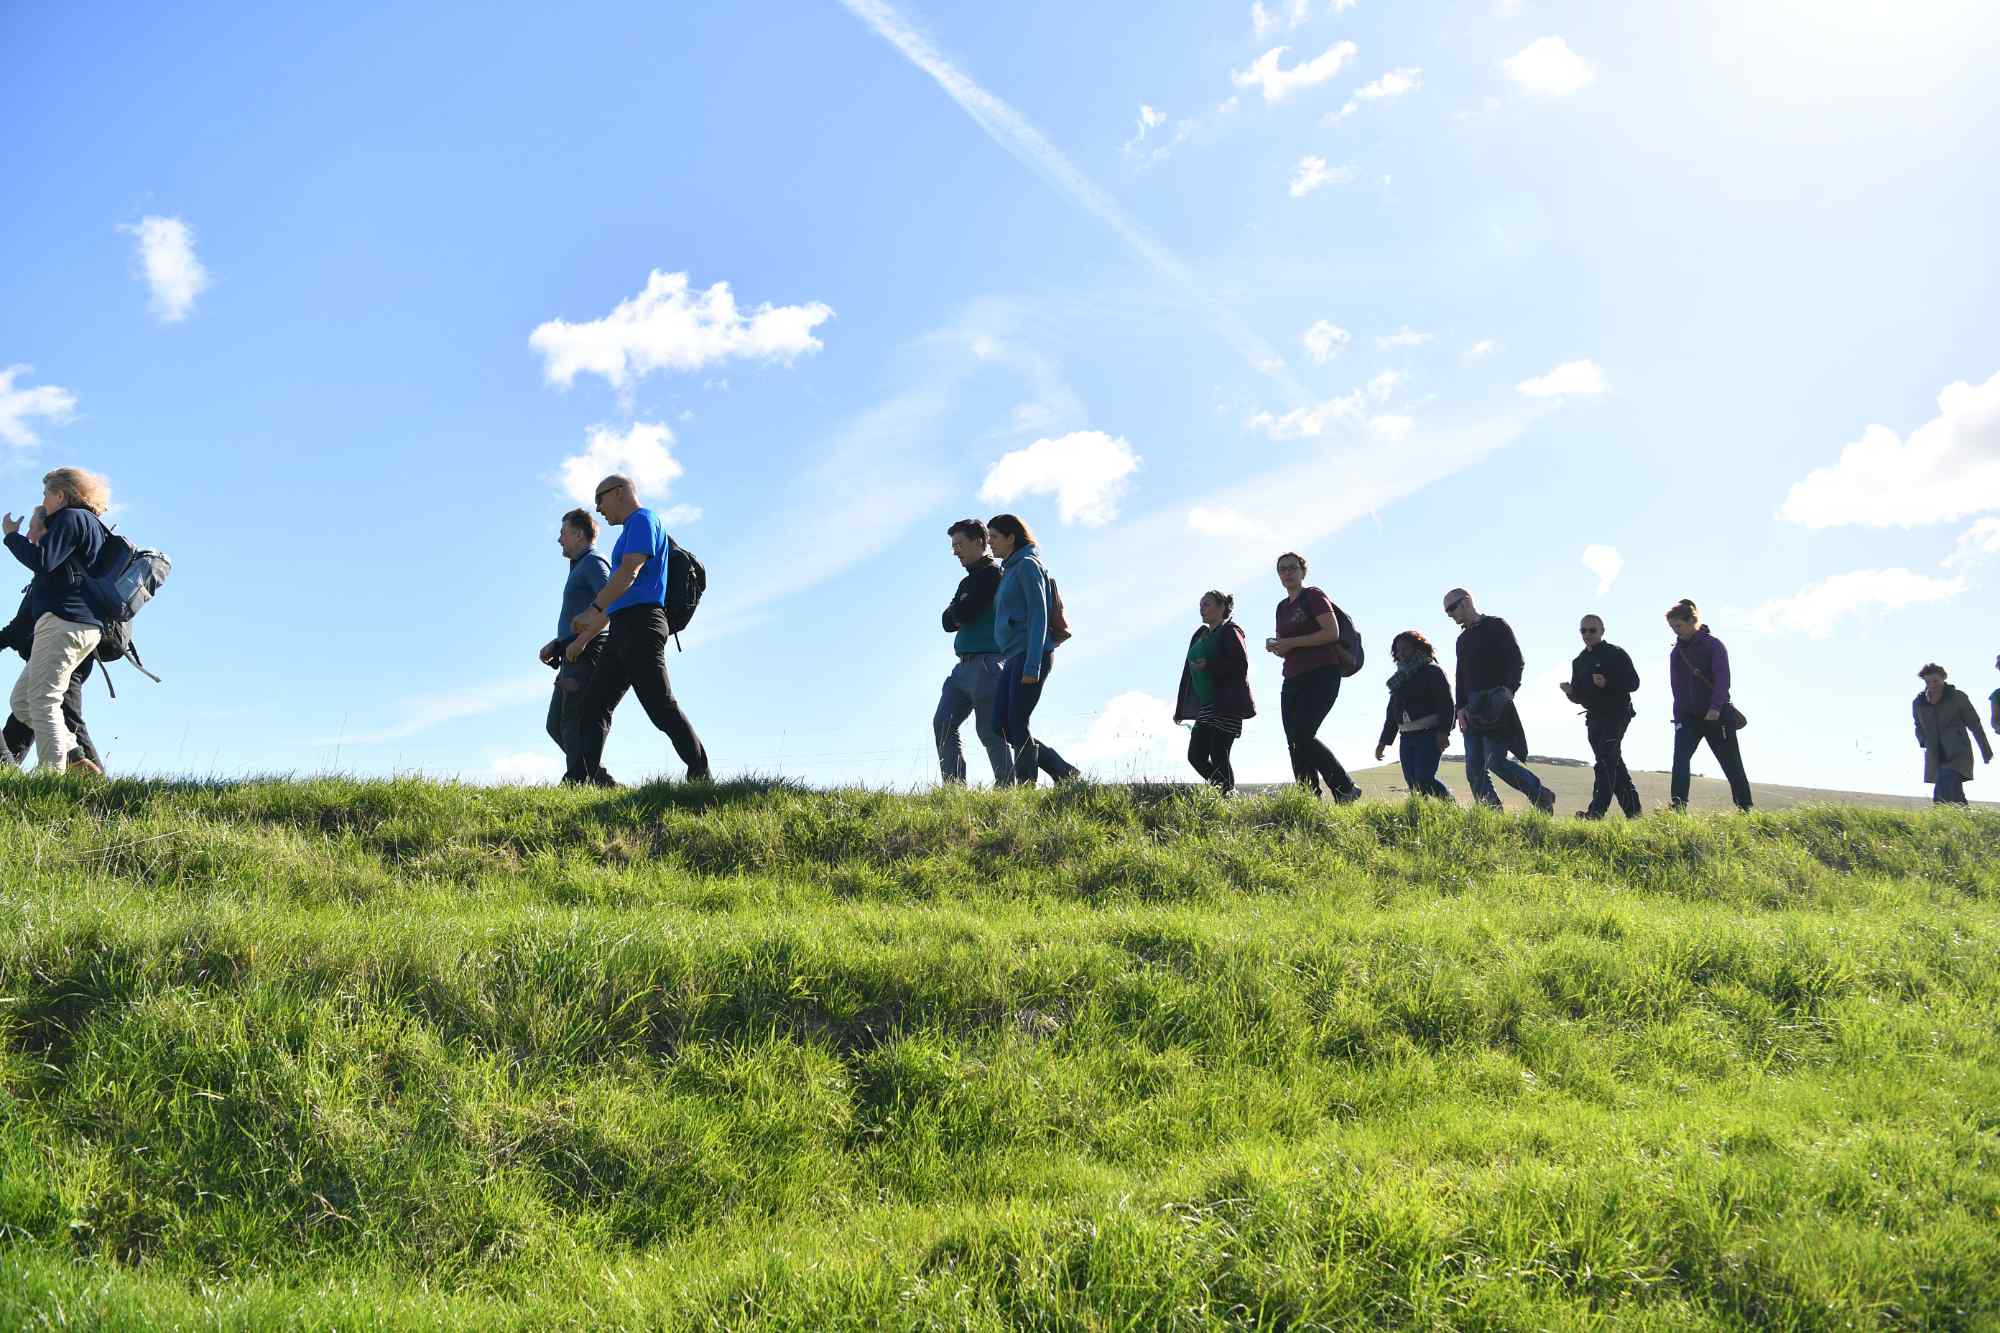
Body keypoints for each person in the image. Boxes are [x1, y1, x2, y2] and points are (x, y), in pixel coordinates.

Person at [565, 475, 710, 786]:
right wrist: (586, 635)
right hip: (622, 627)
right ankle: (581, 780)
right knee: (593, 705)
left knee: (661, 707)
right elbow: (619, 596)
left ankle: (700, 771)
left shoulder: (644, 520)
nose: (599, 510)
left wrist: (593, 608)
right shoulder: (628, 532)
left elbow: (629, 573)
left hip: (643, 626)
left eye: (599, 500)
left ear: (618, 493)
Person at [2, 468, 110, 774]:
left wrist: (10, 537)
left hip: (64, 621)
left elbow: (43, 561)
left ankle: (53, 777)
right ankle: (74, 754)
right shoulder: (92, 524)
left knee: (43, 700)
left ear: (60, 494)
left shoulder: (70, 517)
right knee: (22, 702)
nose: (44, 501)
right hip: (82, 625)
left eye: (46, 494)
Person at [1444, 587, 1556, 813]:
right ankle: (1492, 815)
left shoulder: (1496, 626)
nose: (1449, 614)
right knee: (1474, 768)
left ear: (1466, 602)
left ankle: (1540, 794)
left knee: (1495, 761)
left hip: (1496, 701)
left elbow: (1516, 660)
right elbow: (1461, 676)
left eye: (1451, 608)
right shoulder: (1462, 640)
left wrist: (1508, 691)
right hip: (1471, 706)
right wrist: (1460, 708)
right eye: (1446, 612)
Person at [987, 513, 1078, 786]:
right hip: (1014, 655)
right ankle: (1063, 771)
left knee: (1016, 721)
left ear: (1011, 537)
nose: (990, 543)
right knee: (999, 725)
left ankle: (1026, 784)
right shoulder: (1010, 569)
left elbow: (1039, 616)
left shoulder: (1027, 565)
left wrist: (1032, 665)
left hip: (1030, 654)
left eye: (994, 537)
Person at [1268, 552, 1361, 802]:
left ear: (1302, 571)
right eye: (1282, 570)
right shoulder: (1281, 607)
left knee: (1302, 734)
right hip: (1292, 678)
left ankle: (1344, 788)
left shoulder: (1314, 596)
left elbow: (1331, 633)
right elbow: (1287, 647)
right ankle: (1308, 798)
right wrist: (1278, 647)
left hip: (1322, 673)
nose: (1287, 573)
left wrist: (1290, 642)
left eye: (1291, 568)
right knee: (1294, 741)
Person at [934, 519, 1014, 786]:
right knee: (943, 723)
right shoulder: (966, 582)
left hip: (986, 663)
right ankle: (954, 789)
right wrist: (961, 609)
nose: (955, 551)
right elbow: (947, 622)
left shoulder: (993, 574)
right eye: (953, 546)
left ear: (979, 542)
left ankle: (1007, 789)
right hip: (962, 667)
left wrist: (961, 610)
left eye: (959, 544)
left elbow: (966, 612)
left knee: (989, 731)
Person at [541, 508, 610, 779]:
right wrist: (558, 643)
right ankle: (597, 777)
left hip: (587, 652)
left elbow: (610, 605)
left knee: (572, 722)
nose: (559, 539)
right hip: (571, 651)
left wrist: (581, 642)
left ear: (579, 534)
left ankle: (578, 780)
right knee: (556, 725)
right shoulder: (580, 565)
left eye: (563, 533)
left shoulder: (594, 562)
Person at [1665, 598, 1753, 811]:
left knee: (1731, 763)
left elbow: (1723, 680)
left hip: (1716, 715)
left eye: (1679, 625)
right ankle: (1678, 807)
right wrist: (1678, 718)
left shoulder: (1713, 645)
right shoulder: (1676, 653)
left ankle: (1745, 808)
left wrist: (1715, 708)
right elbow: (1676, 689)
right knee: (1680, 760)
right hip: (1687, 717)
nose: (1676, 631)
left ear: (1692, 621)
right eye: (1672, 627)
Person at [1560, 614, 1642, 819]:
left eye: (1592, 630)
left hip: (1617, 714)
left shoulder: (1615, 653)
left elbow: (1634, 683)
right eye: (1583, 631)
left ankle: (1595, 812)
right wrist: (1570, 692)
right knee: (1613, 764)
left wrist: (1608, 682)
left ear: (1602, 631)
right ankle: (1635, 814)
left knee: (1605, 761)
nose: (1587, 634)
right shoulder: (1579, 661)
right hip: (1594, 718)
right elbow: (1579, 697)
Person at [1173, 590, 1255, 794]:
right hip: (1207, 704)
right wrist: (1181, 709)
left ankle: (1228, 794)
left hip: (1227, 702)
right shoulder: (1202, 635)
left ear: (1221, 607)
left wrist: (1210, 664)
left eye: (1207, 604)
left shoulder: (1230, 631)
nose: (1202, 608)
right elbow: (1188, 673)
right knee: (1196, 756)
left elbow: (1240, 663)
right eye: (1200, 605)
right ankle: (1227, 791)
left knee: (1219, 752)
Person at [1374, 629, 1454, 801]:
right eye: (1398, 650)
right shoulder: (1399, 678)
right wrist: (1383, 742)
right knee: (1413, 783)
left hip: (1429, 734)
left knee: (1424, 778)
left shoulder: (1433, 672)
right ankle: (1424, 816)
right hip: (1406, 737)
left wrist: (1443, 732)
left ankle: (1450, 805)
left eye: (1405, 649)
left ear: (1418, 648)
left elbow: (1445, 703)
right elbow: (1392, 714)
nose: (1401, 654)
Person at [1913, 663, 1992, 805]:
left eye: (1935, 680)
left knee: (1945, 784)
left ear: (1943, 678)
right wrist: (1923, 741)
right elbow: (1917, 725)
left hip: (1958, 752)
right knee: (1953, 790)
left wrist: (1985, 751)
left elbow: (1975, 724)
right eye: (1927, 681)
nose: (1932, 684)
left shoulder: (1957, 697)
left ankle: (1942, 818)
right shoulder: (1919, 702)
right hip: (1935, 754)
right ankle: (1963, 820)